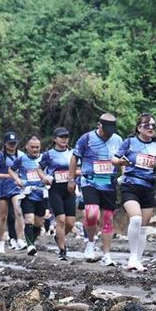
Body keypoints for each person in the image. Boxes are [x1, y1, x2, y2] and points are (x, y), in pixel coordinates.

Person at [112, 113, 156, 271]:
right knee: (135, 219)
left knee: (143, 227)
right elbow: (114, 159)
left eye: (153, 125)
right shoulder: (130, 142)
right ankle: (132, 258)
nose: (151, 128)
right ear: (139, 128)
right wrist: (120, 162)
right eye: (148, 125)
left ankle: (138, 260)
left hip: (148, 188)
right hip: (130, 185)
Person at [69, 113, 123, 266]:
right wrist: (71, 179)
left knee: (108, 219)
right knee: (92, 214)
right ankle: (90, 243)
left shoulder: (118, 140)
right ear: (99, 126)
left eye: (111, 130)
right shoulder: (86, 138)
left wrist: (123, 177)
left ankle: (106, 255)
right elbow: (74, 158)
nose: (109, 133)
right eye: (106, 130)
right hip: (89, 182)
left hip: (109, 183)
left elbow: (123, 159)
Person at [39, 127, 77, 261]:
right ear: (55, 139)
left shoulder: (73, 153)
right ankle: (62, 250)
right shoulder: (48, 154)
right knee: (60, 220)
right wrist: (44, 177)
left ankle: (58, 237)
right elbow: (39, 168)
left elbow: (78, 168)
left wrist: (76, 174)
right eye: (61, 137)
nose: (64, 139)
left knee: (71, 223)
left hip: (70, 189)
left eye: (66, 137)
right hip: (55, 189)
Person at [10, 135, 48, 256]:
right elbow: (10, 170)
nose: (35, 149)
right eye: (32, 147)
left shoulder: (45, 158)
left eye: (37, 147)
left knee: (38, 223)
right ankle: (30, 246)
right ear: (27, 147)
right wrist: (17, 179)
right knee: (29, 220)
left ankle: (31, 242)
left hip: (42, 194)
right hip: (28, 193)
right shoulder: (21, 159)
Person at [0, 131, 27, 254]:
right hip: (2, 188)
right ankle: (1, 241)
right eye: (10, 143)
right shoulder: (0, 156)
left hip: (16, 188)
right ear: (5, 144)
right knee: (3, 216)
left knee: (18, 212)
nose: (12, 145)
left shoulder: (21, 155)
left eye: (14, 143)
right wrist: (8, 175)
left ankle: (20, 239)